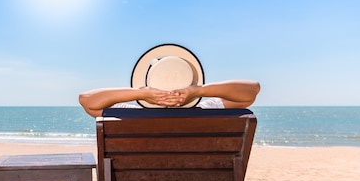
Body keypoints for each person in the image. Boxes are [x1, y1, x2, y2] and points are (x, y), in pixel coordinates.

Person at [79, 80, 261, 117]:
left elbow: (86, 100)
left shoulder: (129, 114)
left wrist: (139, 93)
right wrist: (199, 91)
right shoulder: (207, 110)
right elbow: (252, 90)